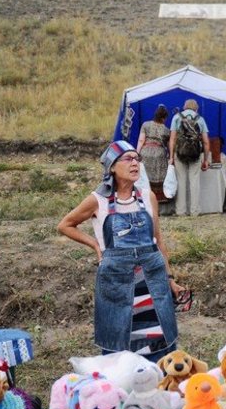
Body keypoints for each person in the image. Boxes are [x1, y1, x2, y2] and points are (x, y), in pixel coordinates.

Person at [57, 141, 185, 362]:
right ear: (112, 167)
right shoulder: (97, 200)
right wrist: (96, 245)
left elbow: (158, 241)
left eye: (137, 159)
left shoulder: (148, 197)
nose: (135, 163)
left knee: (157, 332)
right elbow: (65, 225)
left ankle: (157, 376)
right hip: (117, 281)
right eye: (128, 159)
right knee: (120, 335)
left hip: (152, 278)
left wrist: (170, 278)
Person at [168, 99, 210, 216]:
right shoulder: (200, 119)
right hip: (195, 154)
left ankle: (181, 211)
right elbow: (206, 142)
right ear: (196, 108)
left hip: (180, 153)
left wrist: (171, 156)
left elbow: (172, 139)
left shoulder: (176, 117)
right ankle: (194, 211)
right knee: (194, 182)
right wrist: (206, 159)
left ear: (184, 107)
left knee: (181, 181)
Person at [136, 105, 171, 201]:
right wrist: (170, 156)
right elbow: (169, 146)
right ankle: (158, 198)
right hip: (160, 154)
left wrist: (137, 153)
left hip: (145, 152)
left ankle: (145, 197)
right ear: (164, 118)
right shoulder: (166, 130)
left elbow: (141, 140)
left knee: (145, 175)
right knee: (159, 175)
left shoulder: (145, 125)